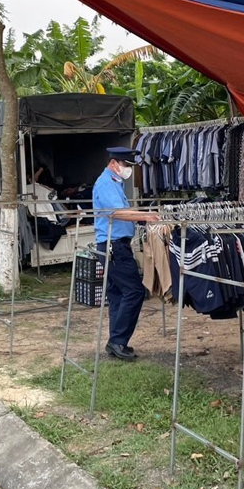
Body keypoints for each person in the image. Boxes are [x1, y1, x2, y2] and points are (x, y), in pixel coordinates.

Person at [92, 146, 159, 361]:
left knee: (119, 294)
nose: (128, 169)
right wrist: (145, 216)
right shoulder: (106, 183)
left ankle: (117, 342)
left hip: (115, 245)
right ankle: (117, 341)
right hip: (114, 246)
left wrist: (142, 217)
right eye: (126, 165)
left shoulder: (113, 183)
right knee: (134, 291)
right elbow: (117, 212)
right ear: (114, 164)